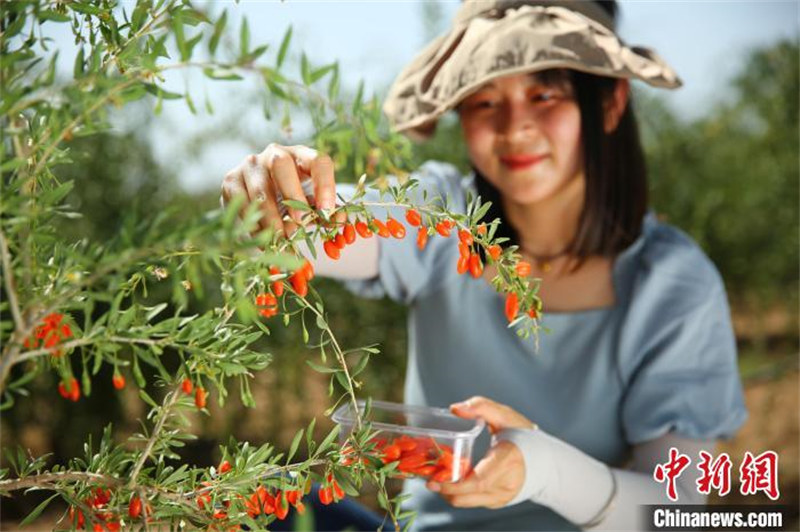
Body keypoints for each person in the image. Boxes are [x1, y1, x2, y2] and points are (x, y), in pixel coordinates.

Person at [221, 1, 748, 530]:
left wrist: (542, 469)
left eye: (545, 94)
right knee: (264, 502)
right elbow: (322, 229)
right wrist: (269, 197)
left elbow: (673, 510)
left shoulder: (674, 284)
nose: (515, 126)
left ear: (610, 102)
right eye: (484, 100)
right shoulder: (444, 216)